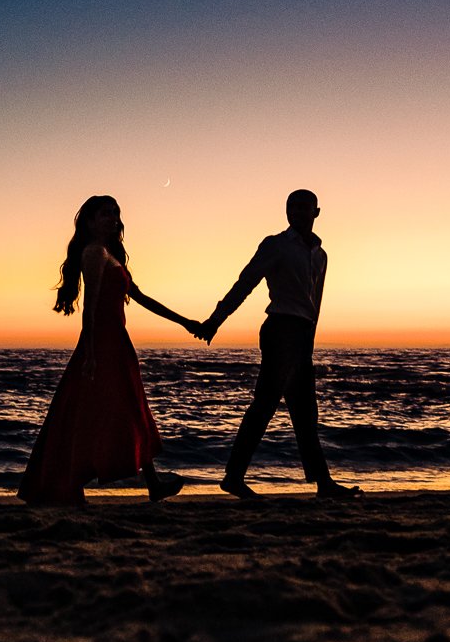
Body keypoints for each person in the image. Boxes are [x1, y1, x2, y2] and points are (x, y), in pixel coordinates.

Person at [19, 194, 203, 505]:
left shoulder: (110, 254)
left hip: (117, 342)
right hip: (101, 345)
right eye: (105, 214)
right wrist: (90, 352)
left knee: (129, 409)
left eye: (115, 214)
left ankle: (153, 483)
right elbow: (88, 308)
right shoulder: (93, 253)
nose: (112, 219)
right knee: (90, 413)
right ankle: (71, 483)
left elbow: (141, 297)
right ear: (89, 221)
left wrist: (185, 322)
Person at [196, 188, 360, 499]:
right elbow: (245, 282)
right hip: (280, 330)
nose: (296, 212)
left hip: (301, 335)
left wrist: (309, 340)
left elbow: (316, 304)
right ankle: (234, 477)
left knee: (304, 411)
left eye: (302, 207)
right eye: (291, 207)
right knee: (266, 405)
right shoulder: (276, 245)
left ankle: (323, 483)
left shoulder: (321, 255)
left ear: (316, 212)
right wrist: (216, 320)